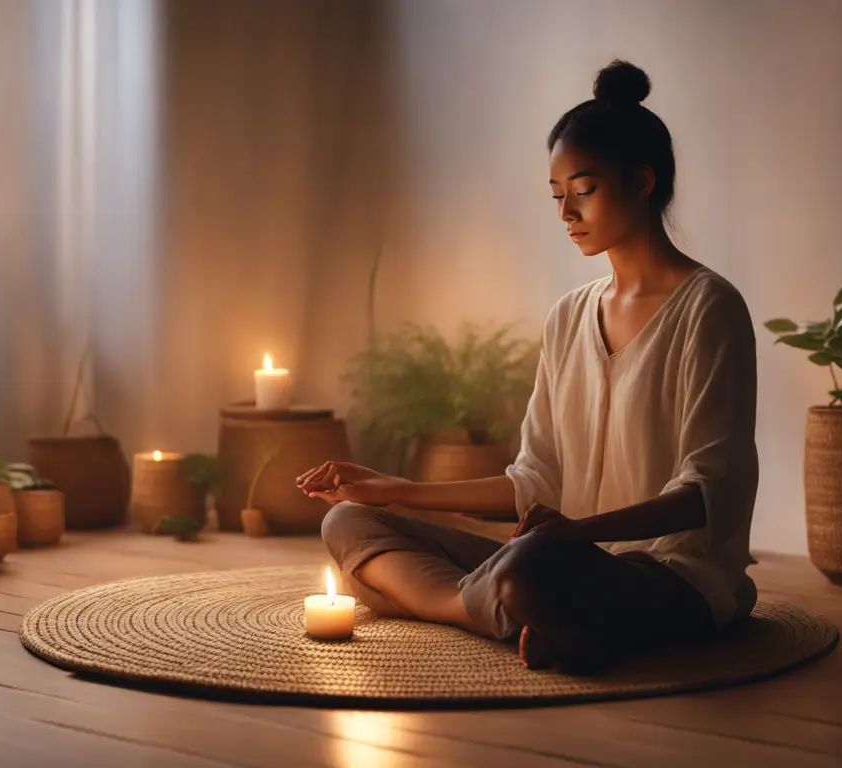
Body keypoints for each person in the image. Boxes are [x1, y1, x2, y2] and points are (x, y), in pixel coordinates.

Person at [297, 60, 759, 675]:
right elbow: (533, 482)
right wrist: (394, 490)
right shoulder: (569, 316)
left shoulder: (709, 307)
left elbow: (707, 495)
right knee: (348, 521)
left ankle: (496, 605)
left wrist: (575, 533)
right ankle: (500, 612)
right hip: (563, 556)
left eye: (584, 190)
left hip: (670, 576)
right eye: (556, 195)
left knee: (529, 567)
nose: (566, 212)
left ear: (643, 180)